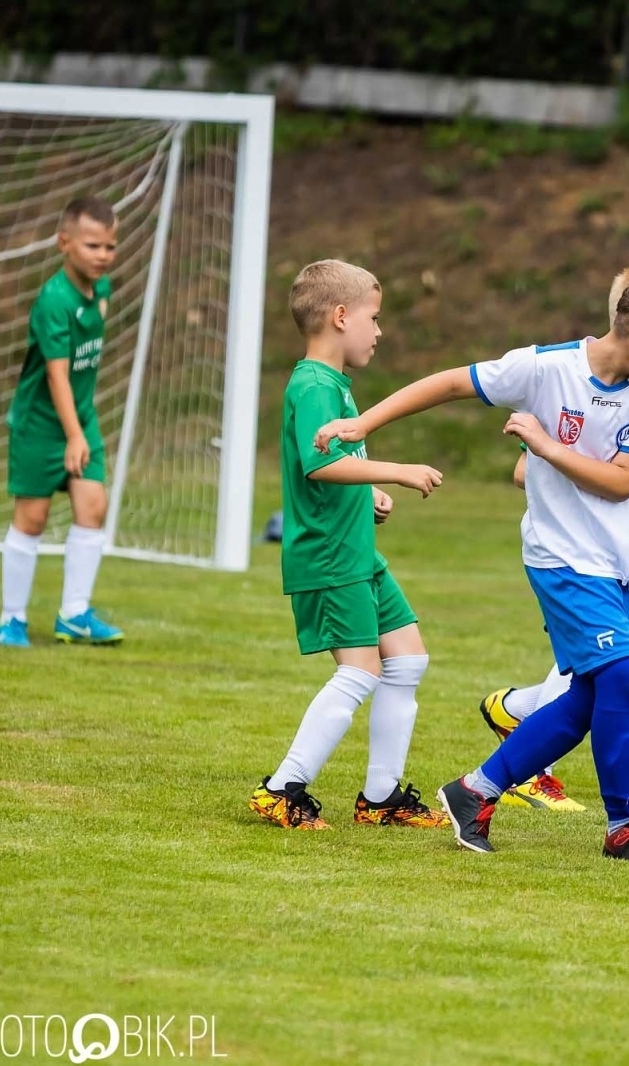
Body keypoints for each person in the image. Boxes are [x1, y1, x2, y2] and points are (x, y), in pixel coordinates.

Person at [313, 260, 629, 860]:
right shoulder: (545, 366)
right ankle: (626, 824)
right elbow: (450, 383)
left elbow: (618, 483)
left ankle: (475, 791)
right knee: (622, 677)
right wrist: (361, 422)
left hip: (615, 569)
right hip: (561, 562)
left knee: (589, 696)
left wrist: (543, 444)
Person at [248, 259, 449, 832]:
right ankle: (281, 788)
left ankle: (381, 799)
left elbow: (340, 461)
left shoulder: (334, 385)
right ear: (341, 317)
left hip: (359, 553)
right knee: (360, 672)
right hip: (331, 557)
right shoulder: (313, 382)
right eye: (374, 318)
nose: (379, 331)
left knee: (407, 658)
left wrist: (371, 494)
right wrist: (400, 470)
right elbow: (319, 463)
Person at [478, 266, 629, 815]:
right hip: (572, 555)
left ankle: (512, 718)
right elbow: (524, 472)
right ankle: (604, 811)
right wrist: (594, 482)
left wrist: (618, 489)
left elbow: (621, 475)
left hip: (617, 557)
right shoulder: (565, 382)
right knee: (626, 672)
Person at [0, 196, 124, 648]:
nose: (103, 255)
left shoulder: (102, 288)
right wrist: (72, 435)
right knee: (32, 518)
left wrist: (80, 427)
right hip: (40, 425)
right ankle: (11, 619)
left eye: (109, 246)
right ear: (63, 243)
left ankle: (74, 614)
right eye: (92, 246)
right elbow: (56, 374)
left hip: (80, 419)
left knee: (93, 506)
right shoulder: (53, 300)